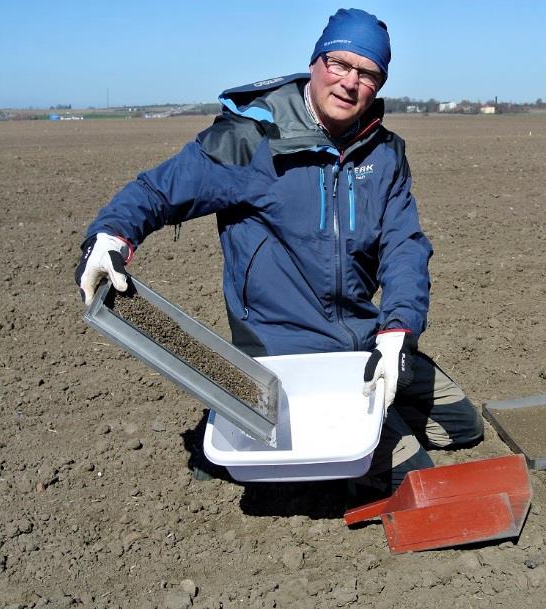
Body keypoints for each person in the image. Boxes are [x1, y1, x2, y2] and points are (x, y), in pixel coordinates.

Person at [75, 8, 483, 493]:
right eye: (339, 64)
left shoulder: (385, 153)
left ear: (380, 83)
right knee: (411, 480)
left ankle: (359, 426)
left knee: (463, 426)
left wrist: (398, 329)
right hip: (285, 354)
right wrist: (110, 237)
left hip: (361, 343)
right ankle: (255, 428)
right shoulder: (251, 138)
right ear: (315, 62)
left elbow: (404, 246)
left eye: (367, 73)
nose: (350, 82)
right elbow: (159, 191)